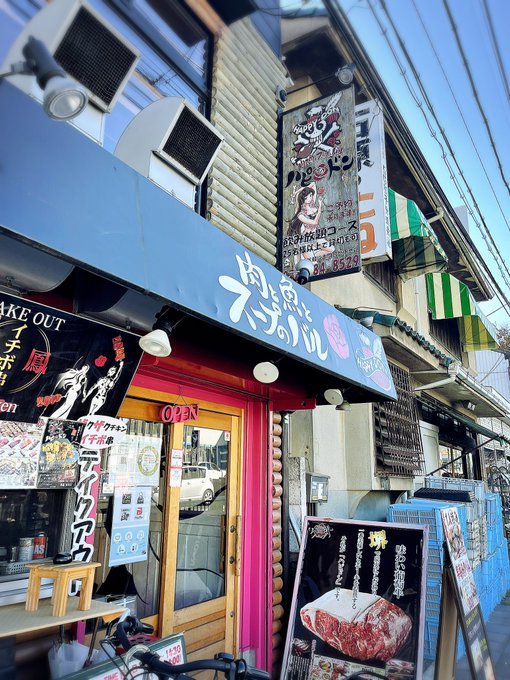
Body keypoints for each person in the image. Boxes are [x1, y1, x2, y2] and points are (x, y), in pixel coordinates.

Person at [287, 183, 333, 263]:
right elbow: (314, 222)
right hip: (305, 240)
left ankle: (314, 253)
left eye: (311, 195)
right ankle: (311, 255)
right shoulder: (300, 213)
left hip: (315, 237)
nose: (311, 197)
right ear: (304, 199)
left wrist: (297, 192)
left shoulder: (311, 204)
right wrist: (320, 207)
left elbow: (313, 184)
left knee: (331, 249)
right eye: (309, 196)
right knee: (312, 264)